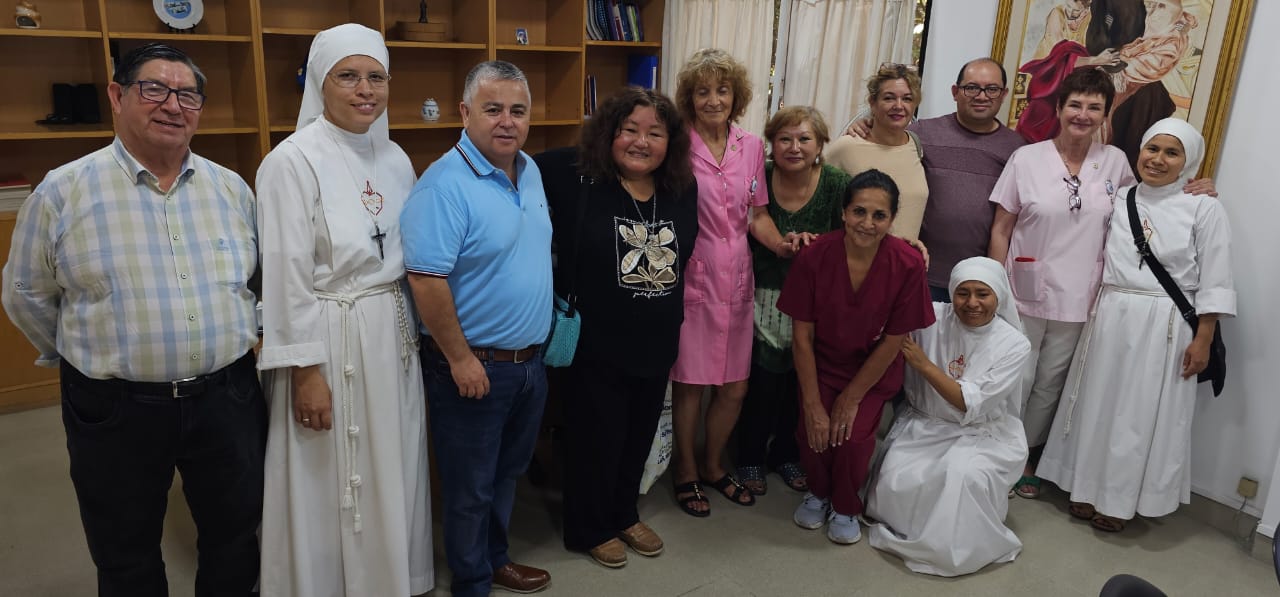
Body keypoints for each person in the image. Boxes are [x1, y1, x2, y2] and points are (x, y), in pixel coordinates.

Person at [2, 43, 265, 596]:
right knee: (125, 552)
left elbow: (253, 285)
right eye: (155, 89)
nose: (173, 105)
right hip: (114, 406)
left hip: (227, 398)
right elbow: (26, 292)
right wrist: (83, 352)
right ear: (117, 96)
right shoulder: (63, 191)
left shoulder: (232, 189)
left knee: (235, 535)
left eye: (188, 94)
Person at [254, 24, 431, 595]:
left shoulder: (397, 156)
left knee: (392, 462)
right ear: (319, 85)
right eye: (348, 76)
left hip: (391, 331)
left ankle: (388, 579)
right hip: (328, 336)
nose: (366, 90)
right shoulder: (290, 161)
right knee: (327, 470)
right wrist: (305, 371)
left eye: (376, 77)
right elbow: (284, 277)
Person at [988, 69, 1211, 500]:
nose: (1083, 114)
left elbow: (1144, 207)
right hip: (1022, 290)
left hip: (1083, 296)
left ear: (1105, 114)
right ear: (1059, 108)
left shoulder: (1115, 163)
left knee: (1050, 384)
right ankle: (995, 451)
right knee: (1015, 377)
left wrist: (1196, 186)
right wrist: (996, 284)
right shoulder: (1027, 159)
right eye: (1075, 104)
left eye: (1094, 107)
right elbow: (1002, 227)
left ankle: (1024, 457)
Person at [1037, 118, 1234, 533]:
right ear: (1139, 151)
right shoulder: (1122, 196)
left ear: (1188, 162)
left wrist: (1204, 337)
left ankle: (1121, 500)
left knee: (1137, 415)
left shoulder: (1205, 207)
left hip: (1162, 322)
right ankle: (1084, 488)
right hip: (1111, 313)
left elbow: (1216, 279)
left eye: (1171, 152)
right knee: (1096, 404)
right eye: (1152, 149)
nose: (1158, 160)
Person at [401, 60, 552, 597]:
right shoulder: (442, 186)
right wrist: (461, 359)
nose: (506, 122)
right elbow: (426, 280)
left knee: (507, 475)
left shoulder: (528, 171)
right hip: (474, 367)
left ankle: (494, 559)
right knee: (470, 487)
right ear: (465, 113)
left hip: (529, 363)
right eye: (492, 109)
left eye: (517, 110)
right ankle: (471, 581)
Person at [534, 87, 699, 568]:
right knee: (593, 437)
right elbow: (509, 160)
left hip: (657, 338)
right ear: (609, 133)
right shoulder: (572, 176)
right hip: (594, 341)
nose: (641, 142)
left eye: (654, 133)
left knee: (638, 434)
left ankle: (624, 512)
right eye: (630, 130)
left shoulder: (681, 188)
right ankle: (587, 527)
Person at [778, 169, 935, 545]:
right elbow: (802, 336)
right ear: (844, 213)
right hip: (821, 365)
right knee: (812, 431)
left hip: (873, 371)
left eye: (879, 216)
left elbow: (895, 339)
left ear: (892, 219)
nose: (867, 223)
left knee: (850, 437)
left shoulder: (907, 264)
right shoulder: (814, 256)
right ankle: (818, 492)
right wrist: (814, 404)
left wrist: (851, 398)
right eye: (859, 212)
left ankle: (845, 505)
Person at [668, 48, 793, 517]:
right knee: (690, 384)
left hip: (740, 273)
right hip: (692, 271)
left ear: (736, 96)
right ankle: (685, 470)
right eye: (703, 91)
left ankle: (713, 464)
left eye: (722, 90)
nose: (713, 99)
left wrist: (780, 246)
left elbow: (756, 214)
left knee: (734, 386)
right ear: (690, 98)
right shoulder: (675, 144)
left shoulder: (751, 147)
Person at [866, 257, 1032, 576]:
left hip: (982, 433)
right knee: (895, 479)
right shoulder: (932, 319)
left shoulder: (1015, 344)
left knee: (961, 477)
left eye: (982, 294)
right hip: (926, 424)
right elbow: (887, 302)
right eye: (963, 293)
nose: (972, 303)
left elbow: (967, 403)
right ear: (951, 293)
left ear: (999, 296)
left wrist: (923, 364)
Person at [735, 106, 850, 496]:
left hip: (816, 301)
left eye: (804, 139)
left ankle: (785, 454)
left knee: (800, 383)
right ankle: (748, 454)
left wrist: (819, 246)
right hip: (762, 292)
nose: (794, 147)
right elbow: (748, 219)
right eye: (785, 138)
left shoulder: (836, 183)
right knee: (761, 381)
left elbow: (854, 235)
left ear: (820, 145)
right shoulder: (760, 175)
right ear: (771, 144)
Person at [845, 58, 1028, 302]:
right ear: (955, 92)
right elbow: (885, 144)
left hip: (974, 282)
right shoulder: (921, 134)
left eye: (992, 89)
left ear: (1004, 94)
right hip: (919, 272)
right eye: (971, 87)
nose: (982, 96)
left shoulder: (1017, 150)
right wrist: (866, 123)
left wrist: (994, 278)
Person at [825, 63, 929, 241]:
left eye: (907, 99)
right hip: (856, 262)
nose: (899, 105)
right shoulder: (846, 147)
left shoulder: (916, 146)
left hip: (905, 263)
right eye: (889, 98)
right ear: (873, 103)